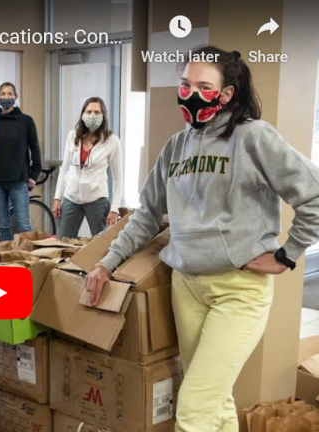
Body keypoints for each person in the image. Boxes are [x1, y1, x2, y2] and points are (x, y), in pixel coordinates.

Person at [85, 47, 319, 432]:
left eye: (203, 86)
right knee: (215, 400)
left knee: (193, 409)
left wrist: (287, 255)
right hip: (187, 286)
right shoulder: (176, 148)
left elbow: (311, 194)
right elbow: (146, 216)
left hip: (238, 291)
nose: (190, 92)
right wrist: (105, 263)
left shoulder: (253, 138)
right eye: (185, 84)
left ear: (226, 94)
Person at [53, 97, 123, 238]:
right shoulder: (72, 136)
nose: (92, 115)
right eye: (89, 111)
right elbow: (64, 169)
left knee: (100, 244)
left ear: (103, 116)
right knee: (62, 242)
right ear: (82, 114)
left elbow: (118, 178)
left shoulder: (112, 141)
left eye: (97, 112)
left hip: (97, 199)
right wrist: (57, 198)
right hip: (71, 198)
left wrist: (115, 209)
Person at [0, 82, 42, 240]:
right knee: (3, 227)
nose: (6, 97)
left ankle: (29, 262)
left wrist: (34, 175)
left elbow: (35, 149)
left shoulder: (26, 121)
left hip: (18, 180)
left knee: (24, 226)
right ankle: (6, 260)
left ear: (16, 97)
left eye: (10, 94)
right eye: (3, 94)